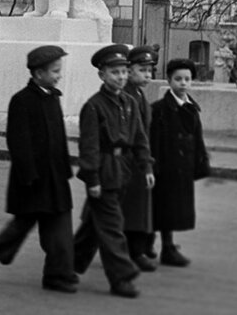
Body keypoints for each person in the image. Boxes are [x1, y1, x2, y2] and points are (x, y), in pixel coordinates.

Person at [0, 45, 79, 292]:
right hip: (33, 179)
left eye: (58, 71)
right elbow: (18, 141)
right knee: (22, 225)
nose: (58, 75)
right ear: (38, 73)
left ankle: (58, 274)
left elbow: (58, 137)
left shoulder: (53, 97)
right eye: (54, 71)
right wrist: (29, 175)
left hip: (55, 177)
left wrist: (65, 169)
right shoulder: (22, 101)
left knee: (60, 228)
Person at [73, 44, 154, 298]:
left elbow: (139, 138)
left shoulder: (129, 102)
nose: (120, 77)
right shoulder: (94, 106)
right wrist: (92, 178)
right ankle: (121, 278)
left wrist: (146, 165)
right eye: (114, 73)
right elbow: (89, 147)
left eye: (123, 72)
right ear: (102, 75)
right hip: (103, 171)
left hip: (124, 170)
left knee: (93, 227)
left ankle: (65, 266)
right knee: (112, 226)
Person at [150, 57, 210, 266]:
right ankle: (161, 247)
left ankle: (166, 245)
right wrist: (153, 165)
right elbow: (154, 140)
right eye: (178, 79)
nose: (183, 83)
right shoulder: (159, 109)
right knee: (162, 208)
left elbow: (197, 137)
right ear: (169, 81)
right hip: (166, 167)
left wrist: (201, 162)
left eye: (187, 79)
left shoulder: (192, 107)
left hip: (183, 168)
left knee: (175, 209)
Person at [121, 44, 158, 271]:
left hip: (137, 162)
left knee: (134, 210)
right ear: (129, 70)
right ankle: (135, 252)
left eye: (149, 70)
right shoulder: (126, 95)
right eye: (142, 70)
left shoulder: (138, 94)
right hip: (128, 163)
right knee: (129, 210)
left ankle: (138, 248)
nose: (147, 75)